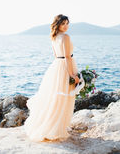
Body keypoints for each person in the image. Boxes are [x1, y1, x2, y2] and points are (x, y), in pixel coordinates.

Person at [23, 14, 80, 142]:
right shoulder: (65, 37)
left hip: (56, 67)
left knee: (55, 97)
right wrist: (72, 74)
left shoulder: (54, 37)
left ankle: (53, 125)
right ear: (58, 24)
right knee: (64, 97)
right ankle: (57, 127)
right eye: (63, 23)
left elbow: (56, 55)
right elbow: (67, 57)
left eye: (67, 23)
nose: (66, 26)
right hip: (65, 67)